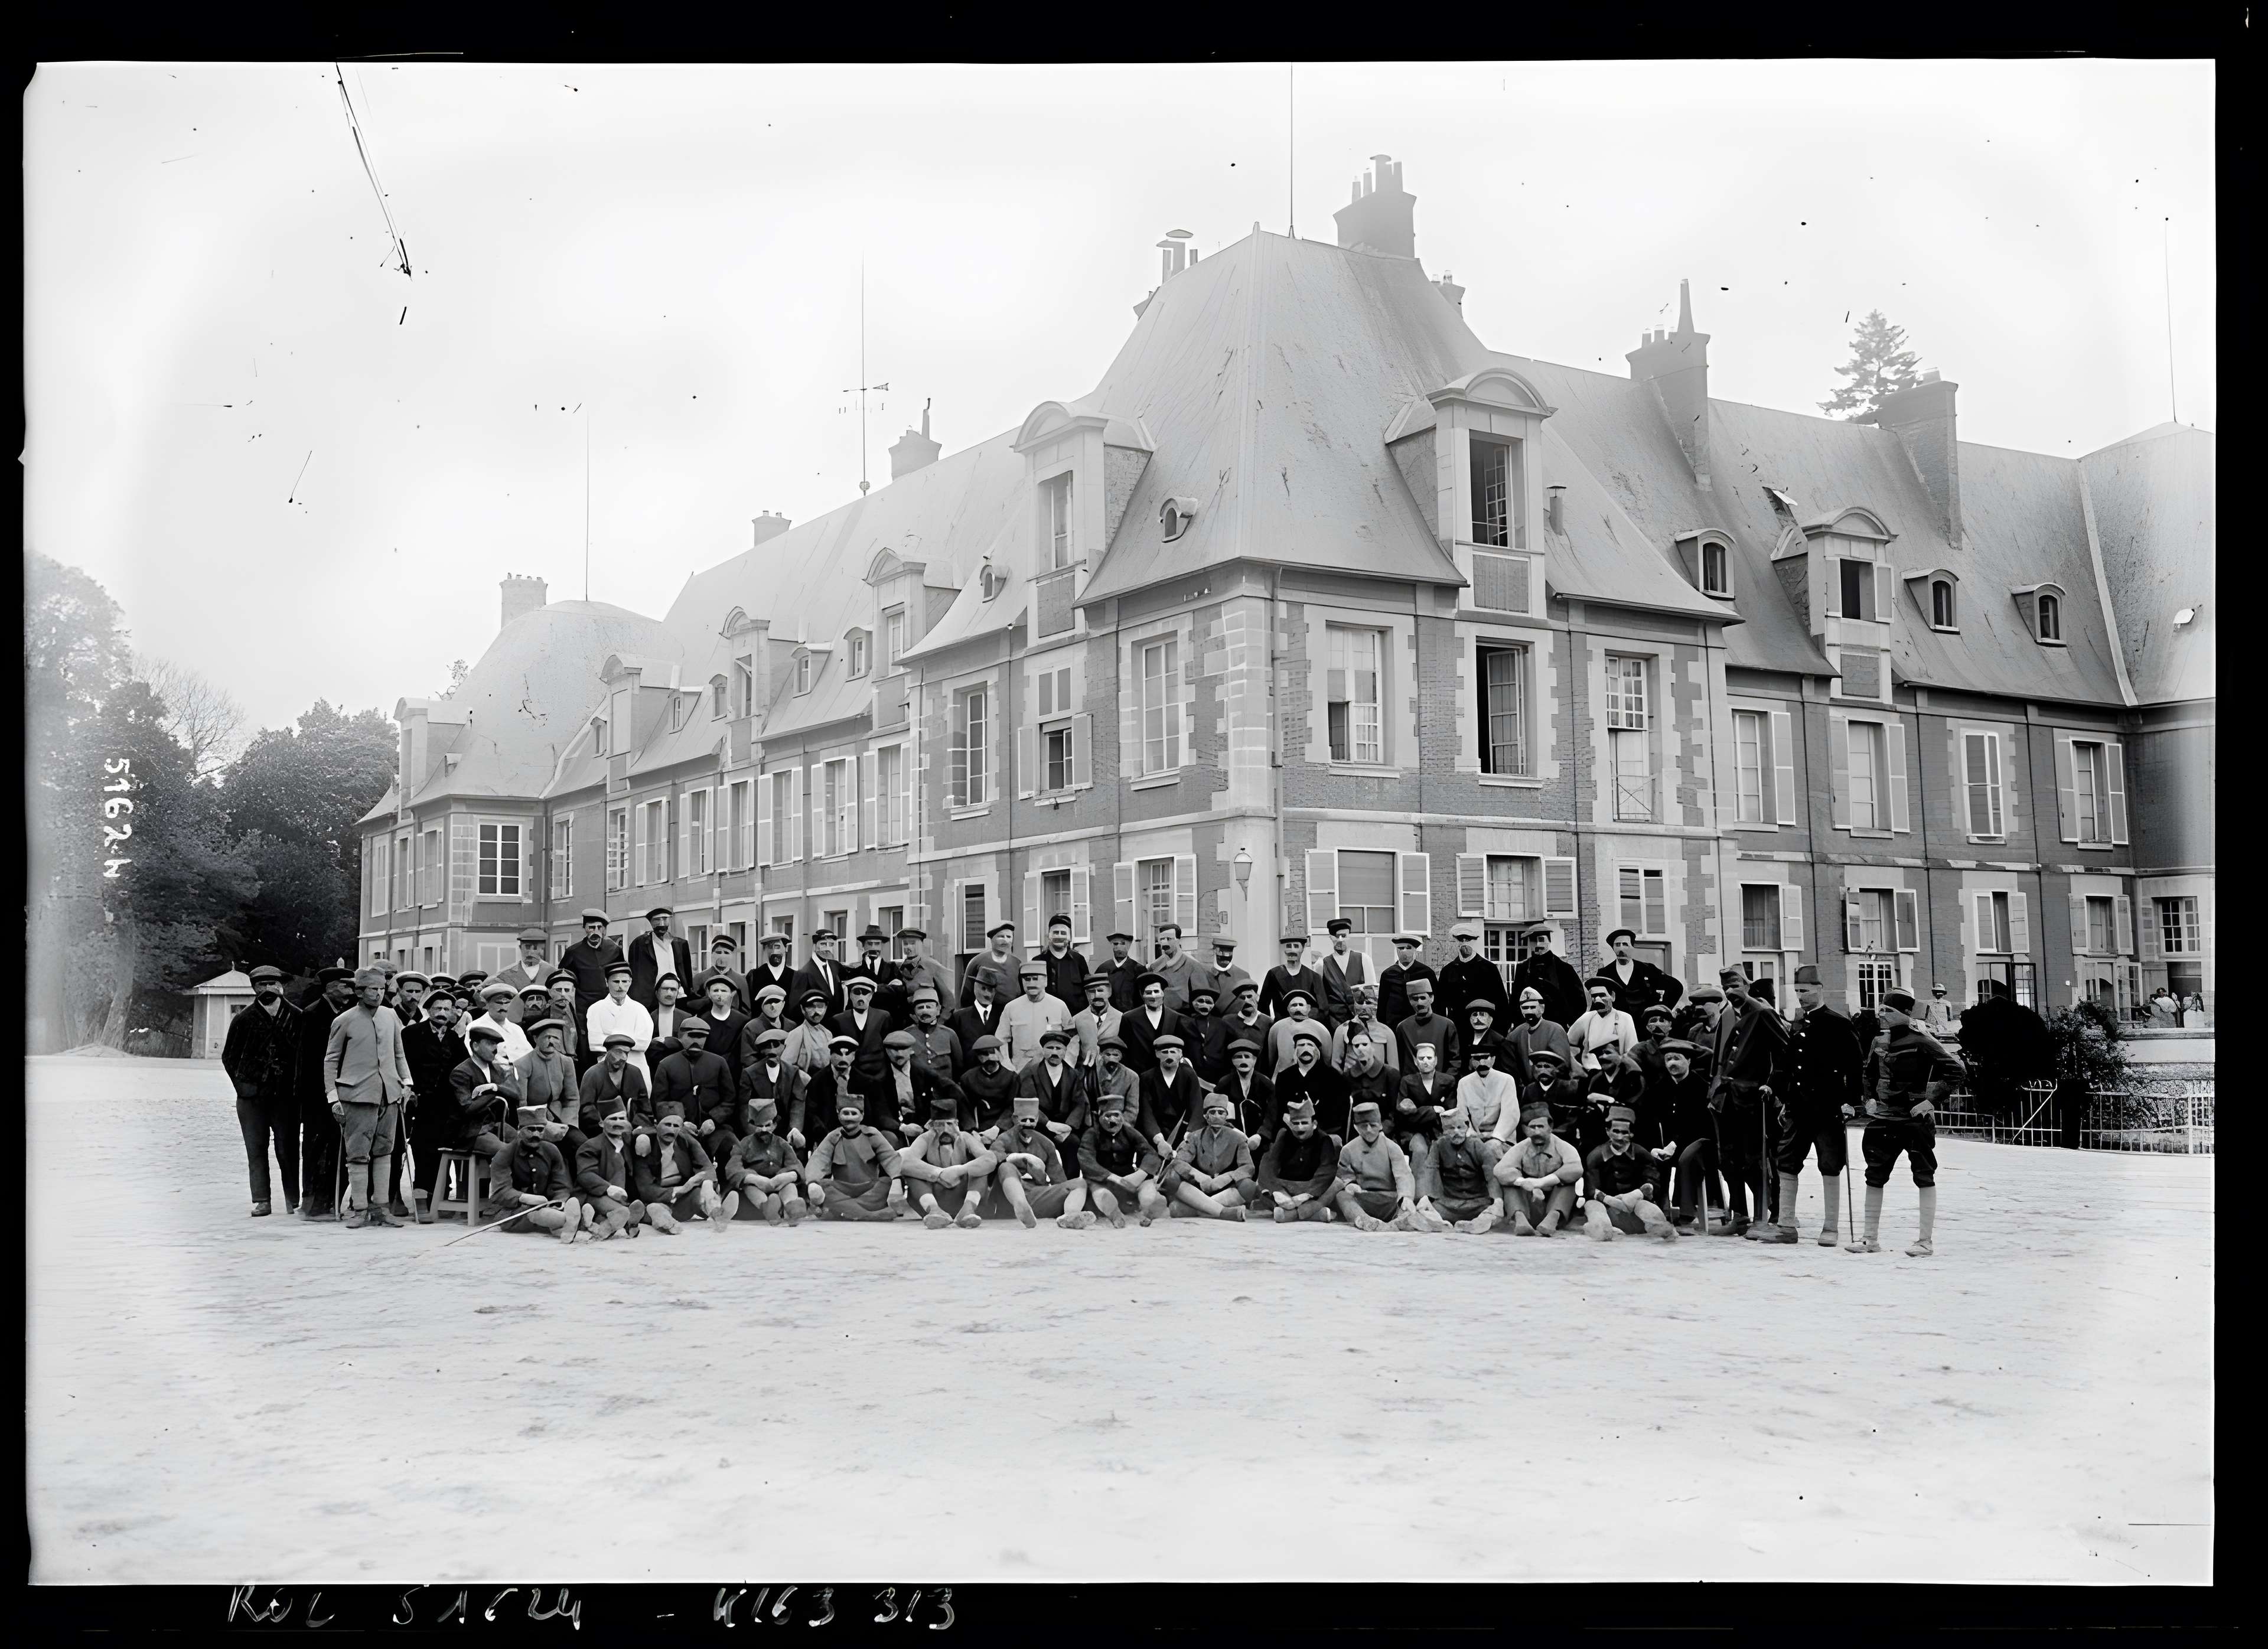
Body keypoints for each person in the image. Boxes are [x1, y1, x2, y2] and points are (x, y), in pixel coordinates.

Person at [1849, 988, 1963, 1257]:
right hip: (1884, 1119)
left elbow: (1956, 1069)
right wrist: (1868, 1100)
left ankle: (1925, 1241)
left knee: (1924, 1176)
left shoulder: (1922, 1041)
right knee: (1874, 1175)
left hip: (1915, 1119)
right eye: (1881, 1011)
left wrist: (1931, 1101)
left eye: (1889, 1011)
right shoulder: (1879, 1042)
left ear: (1907, 1013)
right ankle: (1869, 1239)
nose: (1882, 1016)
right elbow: (1868, 1074)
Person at [1773, 963, 1863, 1247]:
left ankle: (1830, 1227)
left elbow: (1855, 1067)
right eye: (1798, 991)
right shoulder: (1798, 1025)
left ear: (1820, 989)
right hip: (1798, 1108)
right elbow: (1788, 1067)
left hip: (1828, 1108)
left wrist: (1852, 1101)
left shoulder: (1839, 1024)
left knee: (1830, 1164)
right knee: (1787, 1161)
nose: (1801, 996)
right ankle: (1786, 1224)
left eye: (1806, 990)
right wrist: (1779, 1093)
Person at [323, 967, 414, 1228]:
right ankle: (360, 1209)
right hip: (357, 1095)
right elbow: (331, 1060)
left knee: (385, 1150)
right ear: (360, 992)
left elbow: (399, 1054)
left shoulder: (390, 1016)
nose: (378, 994)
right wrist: (333, 1097)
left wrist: (406, 1082)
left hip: (390, 1093)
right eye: (373, 989)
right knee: (358, 1153)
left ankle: (381, 1208)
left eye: (382, 989)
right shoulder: (345, 1020)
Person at [1709, 966, 1790, 1239]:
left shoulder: (1763, 1013)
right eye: (1725, 988)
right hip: (1728, 1098)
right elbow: (1722, 1059)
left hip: (1754, 1098)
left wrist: (1773, 1087)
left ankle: (1762, 1217)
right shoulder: (1731, 1015)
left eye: (1735, 985)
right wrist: (1716, 1089)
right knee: (1728, 1159)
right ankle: (1740, 1215)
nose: (1730, 991)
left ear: (1747, 985)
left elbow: (1785, 1056)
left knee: (1754, 1160)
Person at [223, 963, 301, 1217]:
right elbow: (229, 1057)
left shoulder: (298, 1017)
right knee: (255, 1148)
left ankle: (293, 1199)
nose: (268, 990)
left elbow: (307, 1057)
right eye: (262, 985)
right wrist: (244, 1085)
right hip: (252, 1098)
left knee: (287, 1148)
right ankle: (262, 1200)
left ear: (282, 987)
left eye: (273, 984)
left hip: (286, 1097)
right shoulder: (243, 1019)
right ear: (255, 989)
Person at [402, 985, 471, 1221]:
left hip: (447, 1107)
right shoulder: (411, 1035)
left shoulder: (454, 1038)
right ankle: (422, 1204)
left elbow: (463, 1070)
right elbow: (403, 1066)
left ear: (453, 1013)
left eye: (447, 1009)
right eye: (438, 1008)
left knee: (443, 1152)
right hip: (420, 1105)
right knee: (422, 1153)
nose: (442, 1012)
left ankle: (440, 1199)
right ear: (429, 1009)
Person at [294, 965, 357, 1221]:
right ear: (330, 988)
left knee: (336, 1148)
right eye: (345, 985)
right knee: (315, 1147)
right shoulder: (313, 1014)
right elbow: (310, 1061)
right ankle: (313, 1203)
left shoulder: (344, 1012)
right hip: (317, 1095)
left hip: (338, 1091)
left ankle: (330, 1201)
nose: (350, 991)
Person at [806, 1091, 913, 1223]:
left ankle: (845, 1211)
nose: (849, 1118)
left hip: (869, 1189)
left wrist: (896, 1180)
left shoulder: (872, 1134)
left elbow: (890, 1158)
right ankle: (867, 1215)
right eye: (846, 1113)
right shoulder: (833, 1137)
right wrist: (813, 1183)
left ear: (862, 1115)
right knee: (823, 1186)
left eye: (854, 1113)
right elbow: (819, 1159)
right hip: (842, 1189)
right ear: (838, 1115)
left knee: (886, 1183)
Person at [485, 1103, 586, 1243]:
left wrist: (560, 1202)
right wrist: (524, 1198)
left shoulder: (551, 1150)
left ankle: (564, 1227)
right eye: (530, 1130)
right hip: (515, 1211)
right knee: (539, 1215)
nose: (536, 1134)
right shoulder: (504, 1154)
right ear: (520, 1130)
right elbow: (500, 1192)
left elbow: (562, 1185)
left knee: (556, 1211)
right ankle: (574, 1222)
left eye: (540, 1130)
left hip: (549, 1205)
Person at [990, 1093, 1091, 1228]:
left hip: (1036, 1194)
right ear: (1015, 1119)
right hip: (1010, 1198)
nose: (1027, 1124)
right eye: (1023, 1120)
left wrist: (1044, 1176)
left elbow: (1059, 1180)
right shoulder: (1004, 1139)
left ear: (1037, 1120)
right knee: (1006, 1167)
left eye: (1031, 1120)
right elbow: (993, 1159)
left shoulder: (1046, 1144)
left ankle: (1071, 1216)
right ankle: (1021, 1206)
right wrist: (1020, 1157)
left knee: (1079, 1183)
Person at [1580, 1104, 1679, 1242]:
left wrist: (1637, 1194)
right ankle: (1603, 1230)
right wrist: (1609, 1199)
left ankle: (1663, 1229)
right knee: (1594, 1207)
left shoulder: (1641, 1154)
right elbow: (1591, 1188)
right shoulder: (1596, 1156)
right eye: (1616, 1131)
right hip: (1607, 1206)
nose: (1620, 1137)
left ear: (1631, 1134)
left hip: (1635, 1205)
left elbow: (1653, 1181)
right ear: (1608, 1131)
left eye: (1625, 1133)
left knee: (1647, 1208)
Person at [1648, 1040, 1719, 1229]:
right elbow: (1652, 1120)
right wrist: (1657, 1146)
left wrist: (1674, 1145)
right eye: (1668, 1059)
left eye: (1677, 1059)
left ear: (1689, 1061)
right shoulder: (1659, 1087)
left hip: (1699, 1143)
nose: (1672, 1063)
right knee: (1649, 1157)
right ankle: (1657, 1206)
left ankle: (1687, 1210)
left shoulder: (1701, 1087)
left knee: (1686, 1158)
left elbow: (1700, 1125)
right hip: (1666, 1145)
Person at [897, 1096, 996, 1228]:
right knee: (911, 1173)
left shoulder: (966, 1137)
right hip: (933, 1197)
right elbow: (905, 1162)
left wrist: (959, 1170)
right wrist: (939, 1173)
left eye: (949, 1124)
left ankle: (967, 1211)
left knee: (980, 1169)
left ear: (957, 1124)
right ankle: (935, 1211)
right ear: (931, 1126)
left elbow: (990, 1159)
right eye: (939, 1125)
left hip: (964, 1196)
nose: (945, 1130)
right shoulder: (925, 1139)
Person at [858, 1028, 967, 1142]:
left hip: (923, 1124)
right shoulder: (879, 1077)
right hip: (896, 1126)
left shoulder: (923, 1072)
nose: (899, 1054)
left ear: (911, 1050)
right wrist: (902, 1128)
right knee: (889, 1140)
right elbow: (880, 1112)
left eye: (903, 1049)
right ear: (886, 1051)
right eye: (894, 1050)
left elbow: (952, 1090)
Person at [631, 1111, 732, 1233]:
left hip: (682, 1202)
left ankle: (717, 1214)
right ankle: (668, 1225)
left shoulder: (686, 1141)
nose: (671, 1129)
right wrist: (683, 1189)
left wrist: (707, 1185)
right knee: (654, 1208)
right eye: (667, 1124)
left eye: (676, 1126)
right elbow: (646, 1190)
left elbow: (706, 1167)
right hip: (656, 1199)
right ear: (657, 1125)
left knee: (700, 1192)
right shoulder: (646, 1146)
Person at [1077, 1092, 1169, 1226]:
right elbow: (1086, 1160)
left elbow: (1151, 1154)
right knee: (1102, 1194)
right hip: (1102, 1181)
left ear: (1122, 1116)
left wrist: (1140, 1174)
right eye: (1108, 1116)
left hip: (1128, 1181)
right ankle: (1116, 1216)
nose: (1113, 1120)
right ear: (1100, 1116)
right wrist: (1110, 1177)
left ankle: (1143, 1213)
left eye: (1117, 1115)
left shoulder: (1130, 1133)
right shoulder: (1091, 1135)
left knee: (1148, 1193)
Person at [1161, 1090, 1255, 1220]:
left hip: (1225, 1188)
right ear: (1206, 1116)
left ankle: (1199, 1210)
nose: (1217, 1116)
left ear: (1226, 1116)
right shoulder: (1195, 1137)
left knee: (1249, 1186)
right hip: (1198, 1188)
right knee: (1172, 1178)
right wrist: (1196, 1174)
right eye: (1212, 1112)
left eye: (1221, 1112)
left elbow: (1248, 1167)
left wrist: (1228, 1177)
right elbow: (1178, 1162)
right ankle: (1223, 1212)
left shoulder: (1238, 1138)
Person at [1495, 1103, 1582, 1236]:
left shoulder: (1563, 1146)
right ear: (1525, 1130)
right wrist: (1522, 1182)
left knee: (1570, 1183)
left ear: (1550, 1128)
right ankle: (1521, 1220)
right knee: (1510, 1185)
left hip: (1554, 1202)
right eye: (1532, 1128)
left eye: (1541, 1127)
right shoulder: (1522, 1147)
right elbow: (1500, 1169)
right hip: (1530, 1202)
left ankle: (1551, 1220)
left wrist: (1542, 1182)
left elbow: (1576, 1168)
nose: (1537, 1132)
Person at [1412, 1103, 1498, 1233]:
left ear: (1467, 1127)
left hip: (1478, 1203)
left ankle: (1476, 1223)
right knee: (1422, 1210)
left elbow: (1491, 1173)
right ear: (1444, 1131)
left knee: (1495, 1211)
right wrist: (1426, 1197)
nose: (1456, 1132)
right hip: (1449, 1204)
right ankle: (1441, 1224)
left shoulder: (1477, 1145)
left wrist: (1497, 1199)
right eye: (1450, 1129)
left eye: (1459, 1127)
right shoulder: (1439, 1146)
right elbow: (1430, 1170)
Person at [1334, 1101, 1419, 1231]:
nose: (1369, 1130)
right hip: (1363, 1199)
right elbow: (1344, 1175)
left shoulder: (1392, 1148)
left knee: (1405, 1205)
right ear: (1356, 1127)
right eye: (1363, 1126)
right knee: (1341, 1196)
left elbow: (1403, 1175)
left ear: (1380, 1125)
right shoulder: (1348, 1149)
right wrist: (1350, 1184)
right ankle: (1362, 1219)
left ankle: (1399, 1221)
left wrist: (1406, 1196)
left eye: (1372, 1125)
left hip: (1389, 1200)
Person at [514, 1016, 585, 1171]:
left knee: (582, 1145)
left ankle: (582, 1186)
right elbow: (522, 1104)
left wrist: (566, 1125)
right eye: (547, 1037)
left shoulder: (566, 1062)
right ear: (535, 1038)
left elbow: (573, 1099)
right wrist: (545, 1125)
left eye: (556, 1038)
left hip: (562, 1117)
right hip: (535, 1121)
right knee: (549, 1151)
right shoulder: (523, 1064)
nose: (552, 1041)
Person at [1254, 1095, 1339, 1224]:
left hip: (1311, 1190)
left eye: (1304, 1123)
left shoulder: (1324, 1140)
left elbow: (1327, 1171)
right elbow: (1269, 1164)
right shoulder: (1284, 1135)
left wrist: (1305, 1195)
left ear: (1314, 1124)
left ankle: (1291, 1214)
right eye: (1296, 1123)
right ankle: (1313, 1214)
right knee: (1259, 1187)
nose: (1300, 1128)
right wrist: (1278, 1192)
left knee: (1336, 1184)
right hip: (1286, 1188)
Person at [723, 1100, 807, 1225]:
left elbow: (795, 1163)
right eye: (759, 1126)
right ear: (752, 1125)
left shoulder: (782, 1143)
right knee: (750, 1188)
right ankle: (768, 1208)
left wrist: (789, 1175)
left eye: (768, 1125)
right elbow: (733, 1166)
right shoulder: (745, 1144)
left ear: (774, 1125)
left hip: (779, 1182)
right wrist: (751, 1178)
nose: (764, 1129)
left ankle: (791, 1208)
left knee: (789, 1186)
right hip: (757, 1183)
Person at [574, 1095, 647, 1240]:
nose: (618, 1123)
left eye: (622, 1119)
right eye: (613, 1119)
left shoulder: (627, 1141)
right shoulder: (591, 1146)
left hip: (623, 1196)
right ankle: (606, 1229)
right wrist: (608, 1188)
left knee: (639, 1208)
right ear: (602, 1123)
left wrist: (643, 1138)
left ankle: (611, 1222)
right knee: (621, 1211)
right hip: (596, 1195)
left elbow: (652, 1129)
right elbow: (585, 1175)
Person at [1272, 1025, 1350, 1141]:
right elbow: (1280, 1109)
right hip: (1292, 1131)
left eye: (1310, 1045)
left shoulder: (1333, 1077)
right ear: (1295, 1050)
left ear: (1317, 1051)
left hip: (1324, 1132)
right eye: (1301, 1045)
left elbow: (1339, 1113)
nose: (1306, 1049)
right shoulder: (1285, 1077)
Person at [1134, 1032, 1205, 1159]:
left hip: (1183, 1130)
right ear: (1157, 1054)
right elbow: (1146, 1111)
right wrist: (1158, 1139)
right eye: (1165, 1052)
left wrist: (1190, 1134)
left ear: (1180, 1054)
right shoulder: (1147, 1077)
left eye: (1173, 1052)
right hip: (1157, 1132)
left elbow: (1197, 1105)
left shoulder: (1189, 1075)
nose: (1169, 1056)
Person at [585, 961, 656, 1087]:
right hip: (606, 1064)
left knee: (637, 1101)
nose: (620, 987)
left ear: (630, 982)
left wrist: (610, 1040)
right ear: (607, 982)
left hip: (637, 1064)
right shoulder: (595, 1009)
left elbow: (643, 1043)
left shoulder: (640, 1010)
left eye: (625, 982)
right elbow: (595, 1043)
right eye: (616, 982)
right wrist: (629, 1041)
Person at [1018, 1026, 1087, 1154]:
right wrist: (1048, 1124)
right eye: (1050, 1048)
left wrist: (1068, 1127)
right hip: (1038, 1126)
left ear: (1065, 1052)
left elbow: (1079, 1104)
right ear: (1043, 1050)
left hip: (1064, 1128)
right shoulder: (1031, 1072)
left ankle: (1071, 1175)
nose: (1054, 1052)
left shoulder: (1073, 1075)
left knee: (1073, 1143)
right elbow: (1028, 1103)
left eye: (1058, 1048)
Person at [1393, 1041, 1453, 1183]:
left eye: (1429, 1058)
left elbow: (1449, 1112)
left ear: (1436, 1060)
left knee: (1443, 1150)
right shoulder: (1407, 1082)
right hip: (1413, 1131)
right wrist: (1433, 1110)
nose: (1425, 1062)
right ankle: (1417, 1192)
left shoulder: (1448, 1081)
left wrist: (1419, 1112)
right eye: (1421, 1058)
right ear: (1415, 1061)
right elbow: (1403, 1115)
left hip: (1440, 1130)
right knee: (1420, 1150)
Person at [1591, 928, 1683, 1019]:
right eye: (1618, 945)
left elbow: (1676, 987)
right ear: (1613, 948)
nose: (1621, 948)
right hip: (1618, 1023)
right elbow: (1597, 997)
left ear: (1632, 947)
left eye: (1625, 944)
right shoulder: (1605, 973)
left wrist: (1660, 1009)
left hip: (1643, 1024)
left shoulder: (1647, 969)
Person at [737, 1026, 806, 1149]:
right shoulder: (749, 1074)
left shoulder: (793, 1073)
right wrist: (754, 1131)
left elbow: (798, 1103)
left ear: (784, 1047)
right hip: (760, 1129)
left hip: (786, 1130)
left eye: (776, 1045)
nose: (772, 1051)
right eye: (767, 1047)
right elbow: (744, 1108)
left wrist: (795, 1129)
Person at [792, 1034, 862, 1153]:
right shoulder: (817, 1081)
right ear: (831, 1055)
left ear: (854, 1056)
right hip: (826, 1135)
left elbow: (870, 1114)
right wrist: (826, 1136)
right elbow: (812, 1114)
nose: (843, 1058)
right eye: (839, 1054)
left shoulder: (863, 1080)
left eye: (847, 1054)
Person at [999, 960, 1073, 1069]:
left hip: (1052, 1068)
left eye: (1035, 979)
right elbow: (1001, 1039)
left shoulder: (1059, 1006)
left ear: (1046, 981)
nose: (1031, 984)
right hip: (1021, 1070)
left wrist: (1068, 1063)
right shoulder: (1011, 1007)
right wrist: (1007, 1064)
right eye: (1027, 979)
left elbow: (1073, 1038)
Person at [555, 910, 625, 1022]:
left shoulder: (614, 949)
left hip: (609, 1005)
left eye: (599, 927)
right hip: (583, 1008)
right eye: (592, 928)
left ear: (605, 930)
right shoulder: (573, 952)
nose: (595, 931)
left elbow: (622, 975)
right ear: (585, 929)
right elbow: (563, 979)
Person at [1509, 928, 1586, 1029]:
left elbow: (1579, 999)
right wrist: (1519, 1023)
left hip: (1557, 1024)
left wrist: (1570, 1021)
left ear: (1549, 941)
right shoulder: (1523, 968)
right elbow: (1515, 998)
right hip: (1528, 1026)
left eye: (1541, 940)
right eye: (1533, 940)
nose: (1537, 944)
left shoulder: (1564, 968)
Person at [578, 1031, 650, 1139]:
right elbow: (587, 1109)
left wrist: (639, 1128)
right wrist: (603, 1126)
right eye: (618, 1052)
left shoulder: (635, 1073)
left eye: (626, 1053)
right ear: (608, 1052)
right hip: (601, 1131)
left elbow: (644, 1106)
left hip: (632, 1130)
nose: (623, 1058)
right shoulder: (593, 1074)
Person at [1456, 1041, 1520, 1161]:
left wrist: (1496, 1137)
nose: (1481, 1063)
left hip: (1503, 1139)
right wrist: (1471, 1135)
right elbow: (1462, 1115)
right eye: (1477, 1059)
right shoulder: (1464, 1083)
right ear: (1471, 1061)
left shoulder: (1506, 1080)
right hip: (1475, 1137)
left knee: (1491, 1149)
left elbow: (1511, 1115)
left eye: (1485, 1058)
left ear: (1493, 1059)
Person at [1438, 924, 1511, 1028]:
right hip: (1457, 1026)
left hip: (1482, 1025)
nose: (1464, 943)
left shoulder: (1489, 968)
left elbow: (1501, 1001)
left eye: (1468, 940)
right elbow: (1440, 1003)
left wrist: (1501, 1027)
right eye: (1460, 940)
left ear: (1475, 941)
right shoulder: (1448, 970)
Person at [1501, 986, 1573, 1087]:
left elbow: (1562, 1065)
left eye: (1533, 1007)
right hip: (1525, 1093)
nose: (1529, 1012)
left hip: (1552, 1089)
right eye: (1525, 1008)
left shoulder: (1555, 1030)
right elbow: (1510, 1067)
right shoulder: (1515, 1035)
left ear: (1542, 1008)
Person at [827, 975, 893, 1086]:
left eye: (865, 992)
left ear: (872, 995)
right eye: (857, 992)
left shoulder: (883, 1017)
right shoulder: (839, 1020)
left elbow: (888, 1050)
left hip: (878, 1077)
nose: (861, 996)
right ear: (850, 995)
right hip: (849, 1078)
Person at [628, 906, 696, 1012]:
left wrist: (688, 991)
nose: (661, 924)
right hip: (651, 998)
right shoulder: (640, 944)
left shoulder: (680, 944)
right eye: (657, 921)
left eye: (665, 920)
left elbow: (687, 972)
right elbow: (635, 972)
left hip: (677, 994)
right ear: (651, 923)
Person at [1393, 977, 1462, 1079]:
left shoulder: (1447, 1025)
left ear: (1432, 998)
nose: (1419, 1003)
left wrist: (1445, 1083)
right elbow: (1401, 1061)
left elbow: (1455, 1060)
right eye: (1414, 999)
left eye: (1423, 998)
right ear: (1409, 1001)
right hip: (1413, 1087)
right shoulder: (1403, 1028)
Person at [1119, 972, 1185, 1075]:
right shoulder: (1129, 1018)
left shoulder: (1175, 1018)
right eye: (1149, 992)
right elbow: (1124, 1051)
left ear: (1163, 993)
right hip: (1139, 1075)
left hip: (1168, 1075)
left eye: (1156, 991)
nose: (1153, 996)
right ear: (1142, 995)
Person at [1567, 979, 1640, 1073]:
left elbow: (1632, 1050)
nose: (1597, 1000)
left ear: (1612, 996)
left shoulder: (1625, 1018)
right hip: (1591, 1071)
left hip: (1617, 1070)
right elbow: (1567, 1044)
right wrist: (1577, 1067)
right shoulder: (1586, 1018)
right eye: (1594, 996)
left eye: (1602, 995)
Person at [1217, 1038, 1276, 1151]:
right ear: (1232, 1061)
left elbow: (1272, 1114)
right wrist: (1232, 1130)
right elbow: (1218, 1111)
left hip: (1259, 1142)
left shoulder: (1266, 1084)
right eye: (1238, 1057)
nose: (1243, 1061)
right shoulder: (1224, 1084)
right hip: (1231, 1140)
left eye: (1247, 1057)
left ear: (1255, 1060)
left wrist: (1261, 1135)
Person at [890, 926, 959, 1023]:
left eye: (913, 943)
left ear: (920, 945)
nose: (908, 947)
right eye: (905, 944)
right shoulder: (898, 969)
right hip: (907, 1025)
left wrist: (940, 1023)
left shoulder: (932, 966)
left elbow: (949, 1001)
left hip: (930, 1023)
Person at [958, 1035, 1021, 1138]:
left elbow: (1012, 1107)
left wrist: (998, 1128)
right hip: (978, 1129)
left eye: (992, 1053)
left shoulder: (1012, 1078)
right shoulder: (968, 1078)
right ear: (978, 1057)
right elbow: (964, 1108)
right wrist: (971, 1130)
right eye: (984, 1055)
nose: (989, 1061)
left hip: (1004, 1128)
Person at [1258, 934, 1329, 1024]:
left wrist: (1305, 1017)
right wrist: (1270, 1027)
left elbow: (1323, 1009)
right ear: (1284, 950)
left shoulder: (1313, 977)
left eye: (1296, 946)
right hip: (1282, 1027)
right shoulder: (1274, 974)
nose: (1292, 950)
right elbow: (1263, 1005)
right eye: (1288, 946)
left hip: (1307, 1026)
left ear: (1302, 949)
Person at [1377, 934, 1436, 1034]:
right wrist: (1384, 1028)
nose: (1404, 951)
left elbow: (1437, 1002)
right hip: (1394, 1026)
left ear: (1415, 950)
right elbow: (1382, 1004)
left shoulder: (1426, 973)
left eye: (1408, 948)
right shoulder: (1388, 974)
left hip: (1421, 1025)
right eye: (1400, 948)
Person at [1081, 1034, 1140, 1134]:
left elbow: (1132, 1109)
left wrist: (1119, 1128)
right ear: (1101, 1055)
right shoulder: (1090, 1074)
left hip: (1120, 1126)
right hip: (1093, 1125)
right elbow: (1084, 1105)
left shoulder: (1132, 1077)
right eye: (1108, 1054)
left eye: (1116, 1055)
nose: (1111, 1058)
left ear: (1121, 1057)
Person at [1216, 980, 1276, 1077]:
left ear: (1257, 997)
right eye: (1242, 998)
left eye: (1249, 996)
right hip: (1237, 1075)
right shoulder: (1228, 1021)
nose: (1246, 1001)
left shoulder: (1268, 1022)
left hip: (1263, 1074)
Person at [1332, 986, 1399, 1073]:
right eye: (1360, 1003)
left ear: (1377, 1003)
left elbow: (1394, 1070)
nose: (1364, 1007)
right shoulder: (1342, 1030)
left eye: (1368, 1002)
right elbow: (1336, 1064)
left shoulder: (1386, 1032)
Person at [1318, 918, 1371, 1026]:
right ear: (1331, 938)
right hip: (1334, 1022)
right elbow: (1320, 998)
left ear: (1350, 936)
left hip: (1361, 1021)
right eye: (1337, 936)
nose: (1341, 940)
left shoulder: (1363, 959)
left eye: (1344, 936)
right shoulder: (1322, 964)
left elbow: (1371, 995)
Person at [946, 972, 1006, 1063]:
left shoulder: (1003, 1014)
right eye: (984, 989)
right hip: (970, 1074)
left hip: (998, 1073)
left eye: (991, 990)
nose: (988, 994)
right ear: (975, 988)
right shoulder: (959, 1018)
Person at [959, 921, 1021, 1011]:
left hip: (1012, 1013)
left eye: (1009, 937)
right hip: (987, 1015)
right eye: (1001, 936)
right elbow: (966, 995)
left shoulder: (1017, 963)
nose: (1006, 940)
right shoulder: (977, 961)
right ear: (992, 939)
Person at [1266, 988, 1329, 1073]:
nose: (1298, 1008)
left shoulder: (1321, 1029)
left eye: (1301, 1005)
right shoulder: (1277, 1028)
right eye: (1294, 1005)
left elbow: (1327, 1060)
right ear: (1288, 1008)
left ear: (1308, 1008)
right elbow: (1271, 1059)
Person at [793, 929, 851, 1021]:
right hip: (817, 1026)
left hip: (838, 1026)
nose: (827, 948)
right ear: (815, 946)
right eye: (823, 944)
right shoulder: (804, 973)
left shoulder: (836, 966)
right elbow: (796, 1008)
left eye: (831, 945)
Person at [1068, 973, 1122, 1072]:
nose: (1096, 995)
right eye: (1092, 992)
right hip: (1085, 1074)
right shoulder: (1076, 1020)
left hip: (1113, 1074)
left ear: (1109, 992)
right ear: (1086, 994)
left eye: (1101, 991)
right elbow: (1070, 1053)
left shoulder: (1122, 1019)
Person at [1148, 922, 1206, 1012]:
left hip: (1184, 1017)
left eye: (1169, 939)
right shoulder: (1155, 966)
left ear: (1179, 940)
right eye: (1162, 939)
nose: (1165, 943)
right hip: (1161, 1015)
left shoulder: (1194, 966)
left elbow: (1201, 999)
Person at [1037, 914, 1089, 1012]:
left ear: (1070, 937)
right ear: (1049, 935)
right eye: (1056, 933)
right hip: (1046, 1017)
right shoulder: (1037, 961)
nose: (1059, 936)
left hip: (1075, 1018)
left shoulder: (1079, 960)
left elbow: (1087, 990)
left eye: (1063, 933)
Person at [695, 970, 754, 1057]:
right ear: (709, 994)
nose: (720, 995)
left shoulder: (743, 1021)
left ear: (732, 994)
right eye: (715, 991)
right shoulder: (702, 1021)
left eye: (724, 991)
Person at [780, 989, 836, 1079]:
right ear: (803, 1009)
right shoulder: (797, 1034)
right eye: (811, 1007)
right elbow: (786, 1066)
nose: (816, 1011)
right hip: (805, 1085)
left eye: (820, 1006)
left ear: (826, 1008)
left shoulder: (828, 1034)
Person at [542, 970, 590, 1076]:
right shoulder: (541, 1018)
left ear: (573, 992)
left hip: (577, 1070)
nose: (563, 994)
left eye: (567, 990)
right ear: (550, 992)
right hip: (550, 1069)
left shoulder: (583, 1018)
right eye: (558, 990)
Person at [845, 924, 903, 1011]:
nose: (873, 947)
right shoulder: (855, 971)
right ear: (863, 946)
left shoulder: (892, 968)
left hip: (887, 1016)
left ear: (882, 946)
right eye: (870, 944)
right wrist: (886, 988)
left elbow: (899, 993)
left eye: (877, 944)